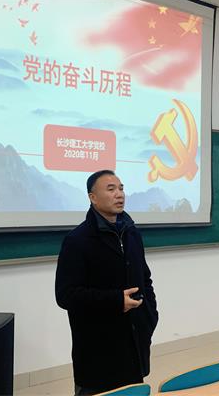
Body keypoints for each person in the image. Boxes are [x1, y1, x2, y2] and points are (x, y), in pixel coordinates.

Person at [55, 170, 158, 396]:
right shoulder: (77, 240)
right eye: (111, 189)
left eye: (121, 188)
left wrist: (150, 316)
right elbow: (66, 295)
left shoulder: (132, 233)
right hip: (97, 348)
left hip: (133, 344)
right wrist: (115, 300)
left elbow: (145, 278)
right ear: (92, 197)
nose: (119, 194)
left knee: (133, 392)